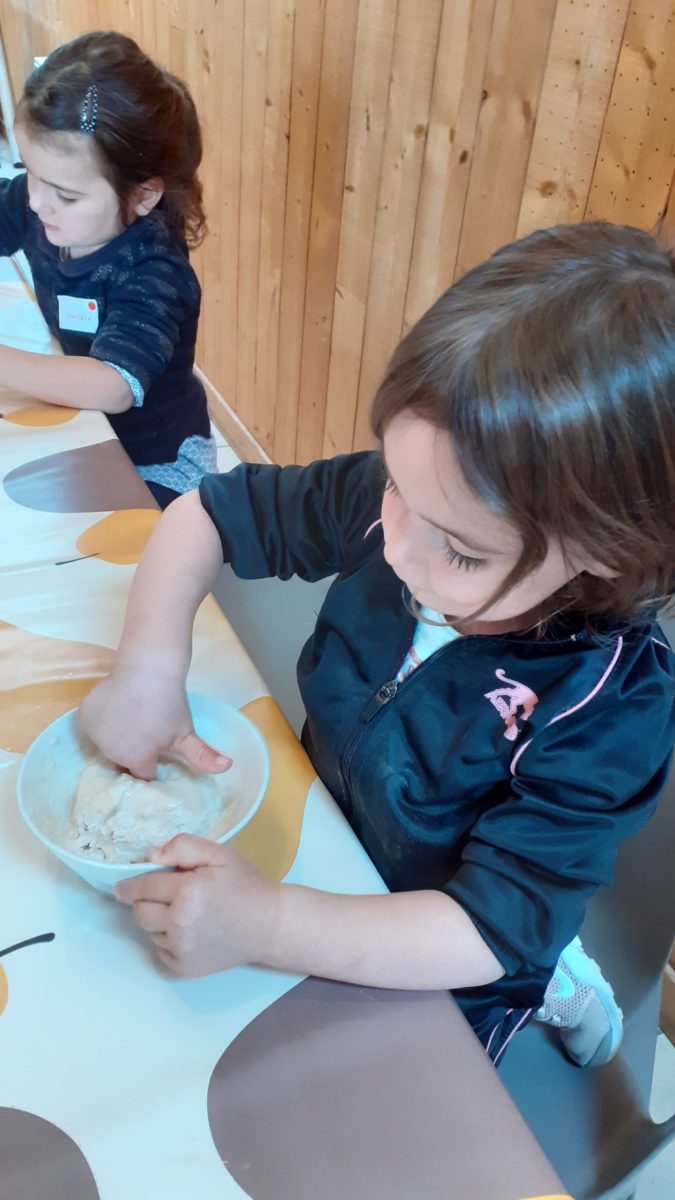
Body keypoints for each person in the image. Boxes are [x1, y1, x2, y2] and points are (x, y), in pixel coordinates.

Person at [79, 221, 675, 1067]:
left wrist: (268, 925)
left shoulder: (609, 707)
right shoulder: (423, 498)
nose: (393, 545)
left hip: (448, 942)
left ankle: (559, 977)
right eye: (395, 483)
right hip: (332, 831)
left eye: (459, 552)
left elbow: (486, 933)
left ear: (605, 551)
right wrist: (147, 667)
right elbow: (203, 513)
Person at [0, 31, 215, 507]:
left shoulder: (153, 271)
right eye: (30, 172)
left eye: (65, 195)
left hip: (159, 464)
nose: (36, 201)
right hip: (90, 434)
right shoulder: (44, 204)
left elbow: (113, 385)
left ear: (142, 195)